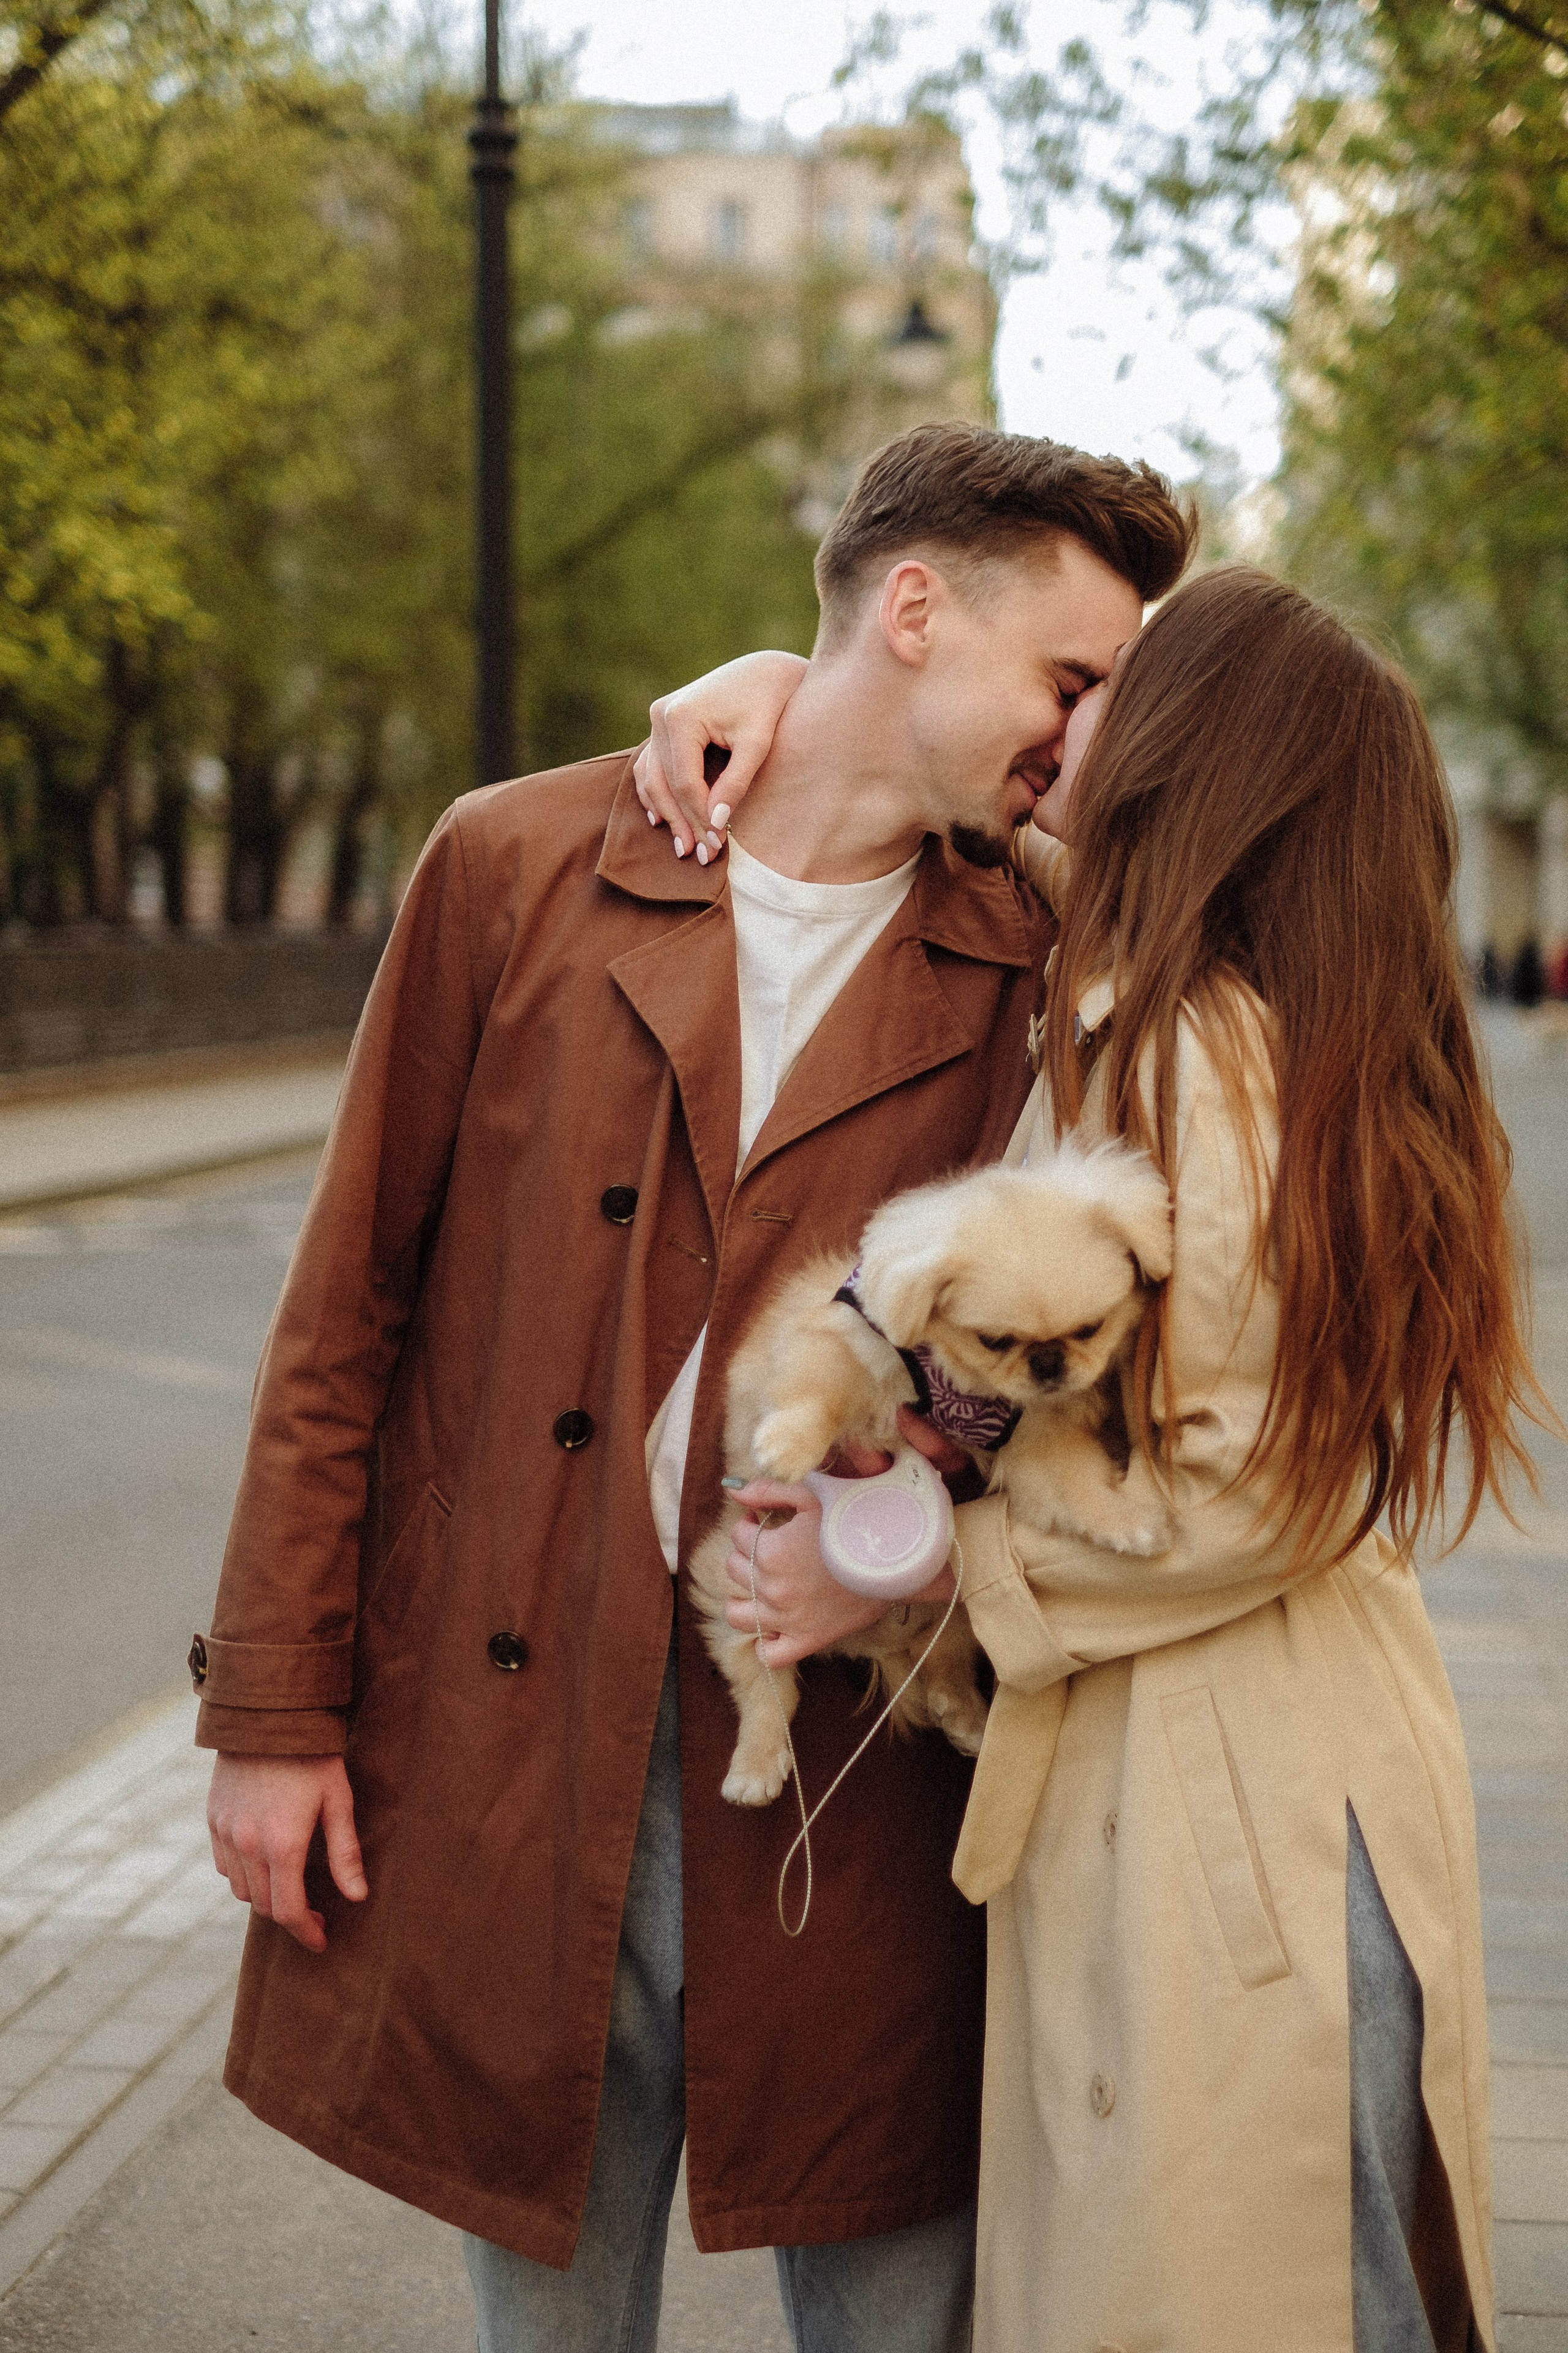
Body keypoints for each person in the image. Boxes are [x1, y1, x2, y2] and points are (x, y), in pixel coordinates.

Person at [194, 422, 1196, 2351]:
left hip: (853, 1758)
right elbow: (345, 1315)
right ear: (913, 607)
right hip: (514, 1725)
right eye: (1067, 681)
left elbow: (1092, 1334)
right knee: (549, 2322)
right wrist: (272, 1709)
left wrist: (900, 1536)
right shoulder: (515, 861)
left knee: (895, 2309)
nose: (1079, 742)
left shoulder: (1041, 951)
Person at [635, 563, 1548, 2352]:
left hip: (1239, 1821)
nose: (1067, 720)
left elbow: (1269, 1489)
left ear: (1199, 755)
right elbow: (977, 800)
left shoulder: (1203, 1051)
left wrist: (887, 1559)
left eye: (1116, 690)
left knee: (1259, 2294)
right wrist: (799, 686)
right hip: (1262, 1775)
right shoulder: (1223, 998)